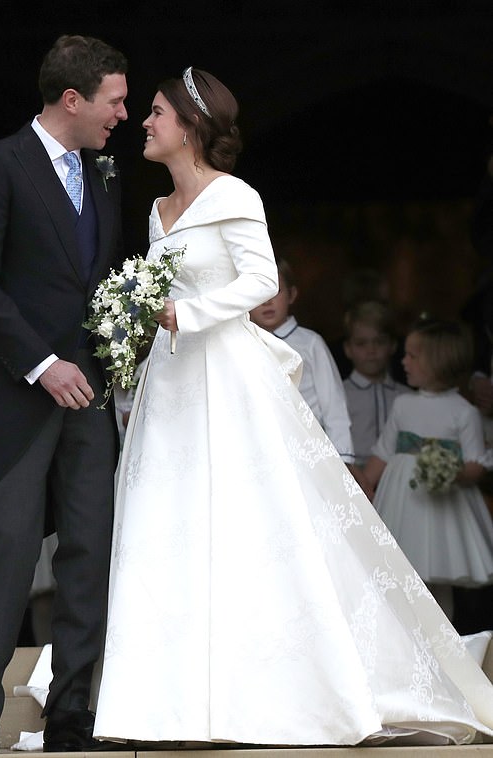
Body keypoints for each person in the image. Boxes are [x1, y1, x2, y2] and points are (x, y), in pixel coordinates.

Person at [92, 67, 493, 747]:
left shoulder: (237, 196)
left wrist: (188, 312)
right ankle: (168, 705)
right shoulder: (157, 211)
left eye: (156, 112)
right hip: (173, 381)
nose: (145, 122)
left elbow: (256, 280)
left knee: (252, 523)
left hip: (227, 378)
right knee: (168, 520)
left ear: (190, 125)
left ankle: (272, 690)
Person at [0, 34, 128, 754]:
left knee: (89, 544)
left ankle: (73, 711)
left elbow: (99, 278)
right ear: (73, 99)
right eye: (114, 99)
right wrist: (41, 363)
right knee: (11, 545)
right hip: (21, 396)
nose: (123, 113)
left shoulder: (106, 171)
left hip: (90, 393)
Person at [364, 318, 493, 620]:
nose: (403, 362)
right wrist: (361, 490)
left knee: (437, 582)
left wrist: (452, 473)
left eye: (412, 355)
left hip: (442, 512)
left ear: (437, 361)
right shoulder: (403, 405)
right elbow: (382, 454)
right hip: (402, 505)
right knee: (401, 579)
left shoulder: (464, 412)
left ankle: (444, 653)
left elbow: (476, 465)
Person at [249, 257, 368, 492]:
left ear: (292, 295)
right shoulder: (243, 344)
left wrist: (341, 459)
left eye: (276, 290)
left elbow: (334, 405)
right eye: (259, 292)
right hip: (260, 449)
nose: (268, 301)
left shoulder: (310, 343)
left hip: (307, 448)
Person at [342, 300, 411, 467]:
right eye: (361, 343)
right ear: (348, 349)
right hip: (352, 476)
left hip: (398, 476)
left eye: (379, 342)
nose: (371, 350)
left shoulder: (407, 396)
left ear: (393, 345)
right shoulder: (339, 394)